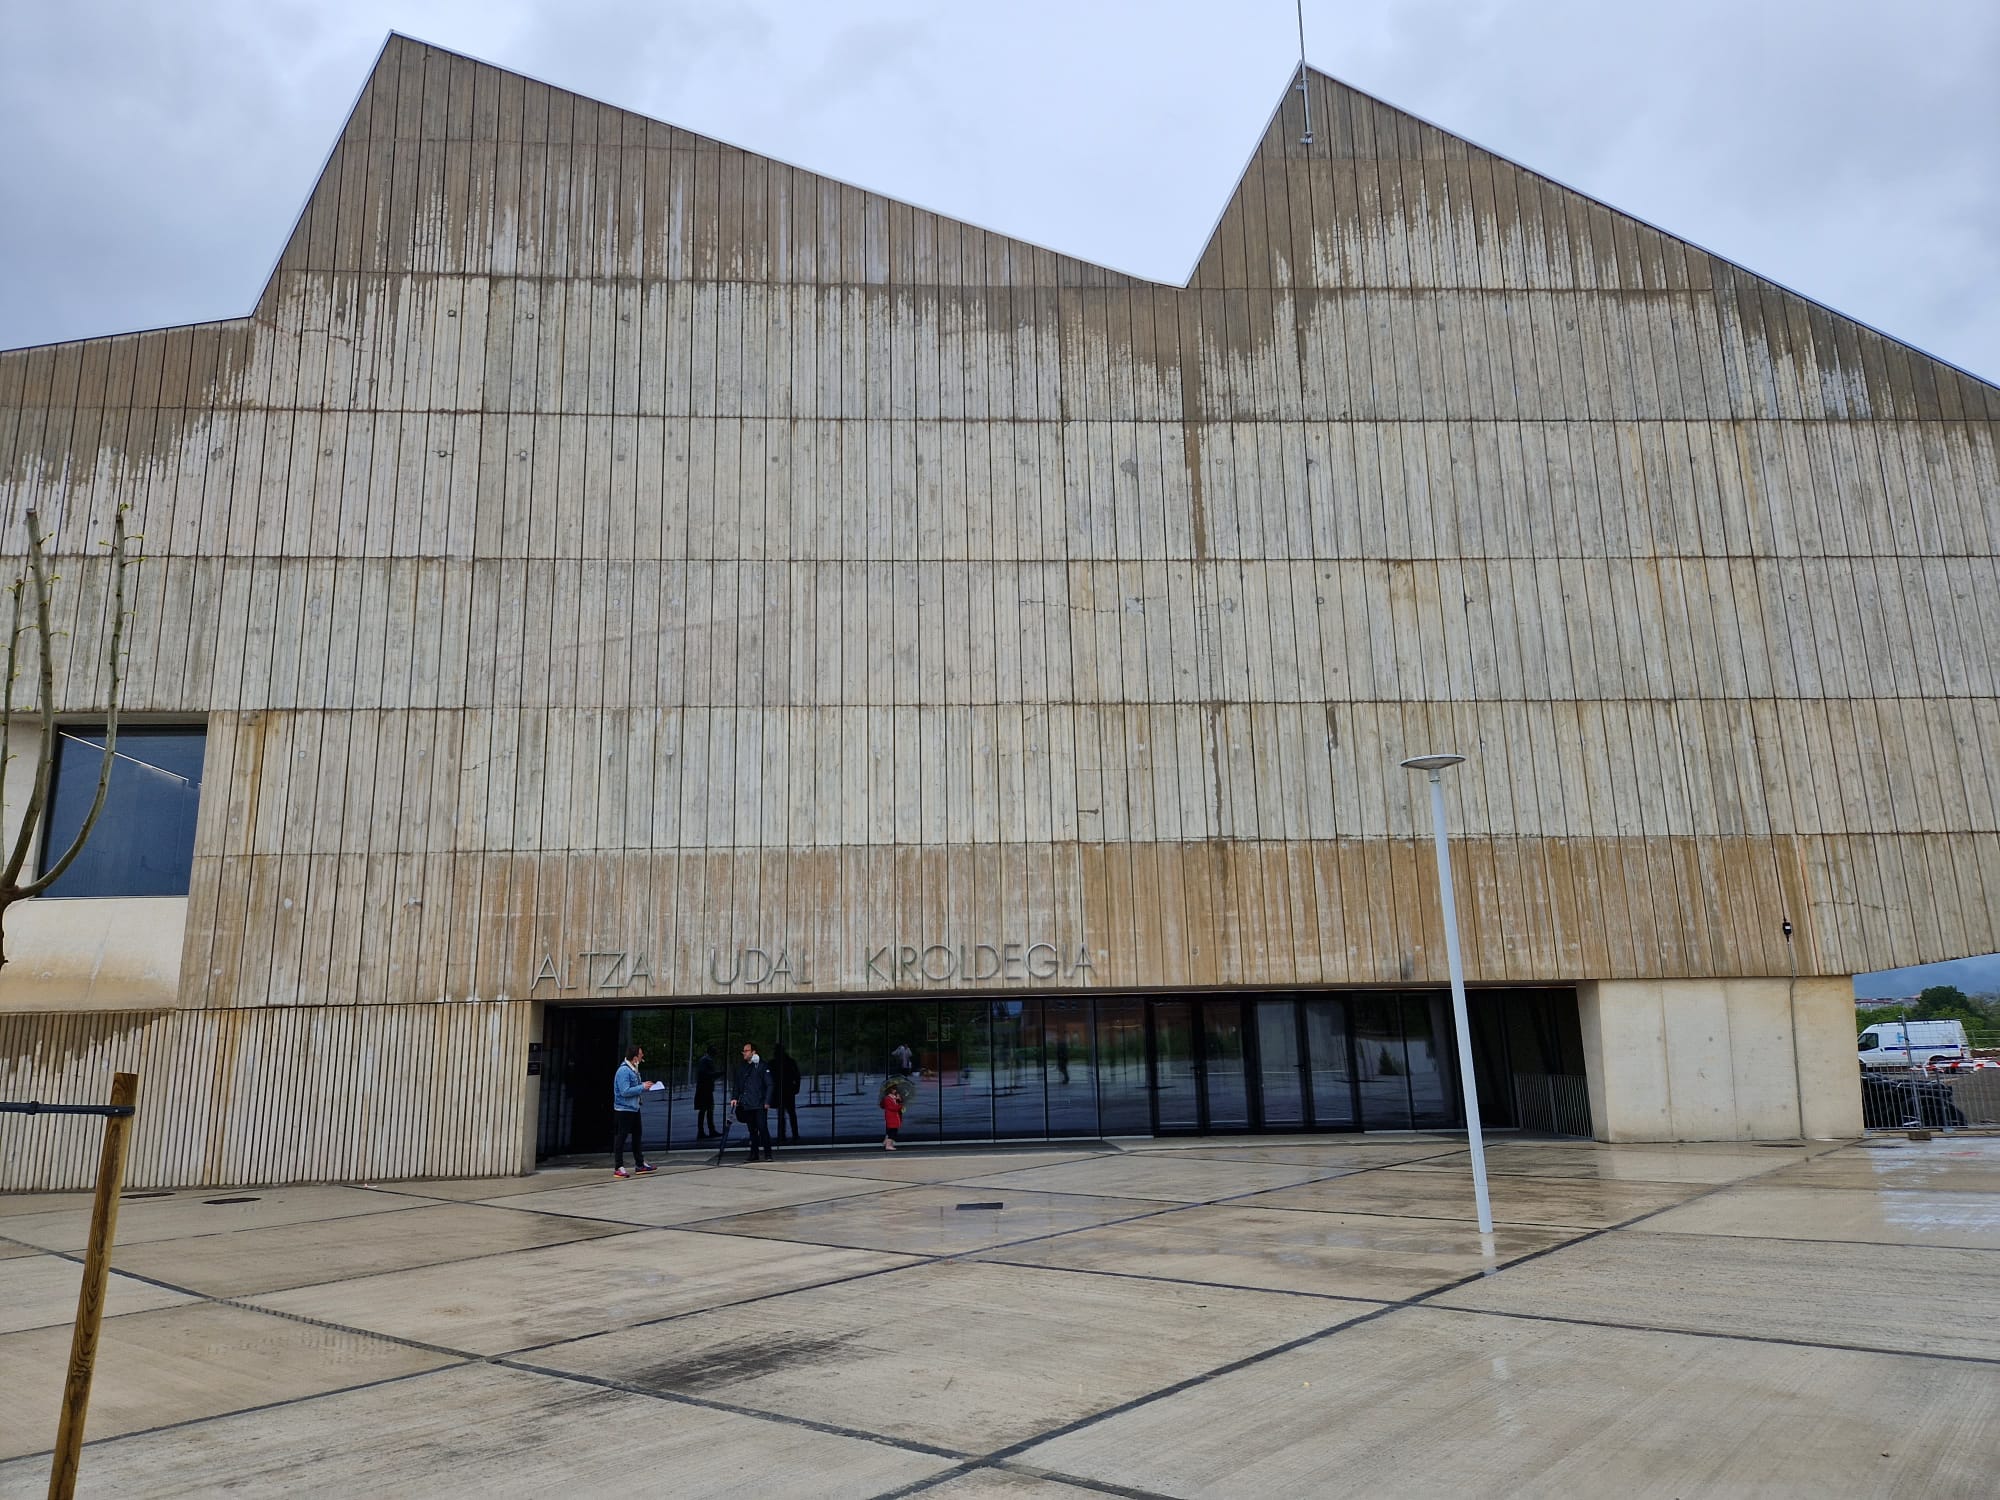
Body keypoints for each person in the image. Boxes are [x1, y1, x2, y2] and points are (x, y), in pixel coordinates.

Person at [612, 1045, 657, 1179]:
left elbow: (633, 1087)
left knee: (637, 1136)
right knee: (621, 1137)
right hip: (624, 1110)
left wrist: (644, 1086)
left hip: (634, 1108)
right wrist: (642, 1087)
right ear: (635, 1057)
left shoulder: (633, 1069)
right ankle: (618, 1166)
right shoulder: (624, 1071)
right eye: (641, 1054)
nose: (642, 1056)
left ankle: (640, 1164)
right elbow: (625, 1091)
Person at [729, 1041, 775, 1162]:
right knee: (752, 1130)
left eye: (746, 1050)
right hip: (747, 1104)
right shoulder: (742, 1068)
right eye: (743, 1051)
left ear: (753, 1052)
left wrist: (767, 1101)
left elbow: (770, 1084)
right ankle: (754, 1154)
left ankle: (768, 1154)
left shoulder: (762, 1066)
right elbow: (737, 1085)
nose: (744, 1053)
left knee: (762, 1128)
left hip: (760, 1104)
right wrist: (734, 1098)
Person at [773, 1044, 802, 1142]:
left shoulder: (776, 1063)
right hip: (787, 1091)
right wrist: (796, 1087)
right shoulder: (789, 1062)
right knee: (789, 1114)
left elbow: (797, 1076)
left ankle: (783, 1135)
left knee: (784, 1115)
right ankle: (793, 1135)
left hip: (783, 1091)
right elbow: (797, 1076)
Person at [693, 1045, 719, 1139]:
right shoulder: (706, 1060)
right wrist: (718, 1074)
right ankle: (704, 1131)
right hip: (705, 1089)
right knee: (706, 1109)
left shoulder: (706, 1060)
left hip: (705, 1089)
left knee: (707, 1110)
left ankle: (707, 1130)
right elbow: (706, 1075)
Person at [881, 1084, 904, 1152]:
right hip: (891, 1117)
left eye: (895, 1089)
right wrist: (900, 1105)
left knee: (893, 1130)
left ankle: (888, 1143)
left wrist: (899, 1100)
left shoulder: (894, 1098)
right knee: (892, 1131)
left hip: (895, 1117)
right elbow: (893, 1108)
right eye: (894, 1089)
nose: (895, 1091)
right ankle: (888, 1145)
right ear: (890, 1090)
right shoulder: (887, 1099)